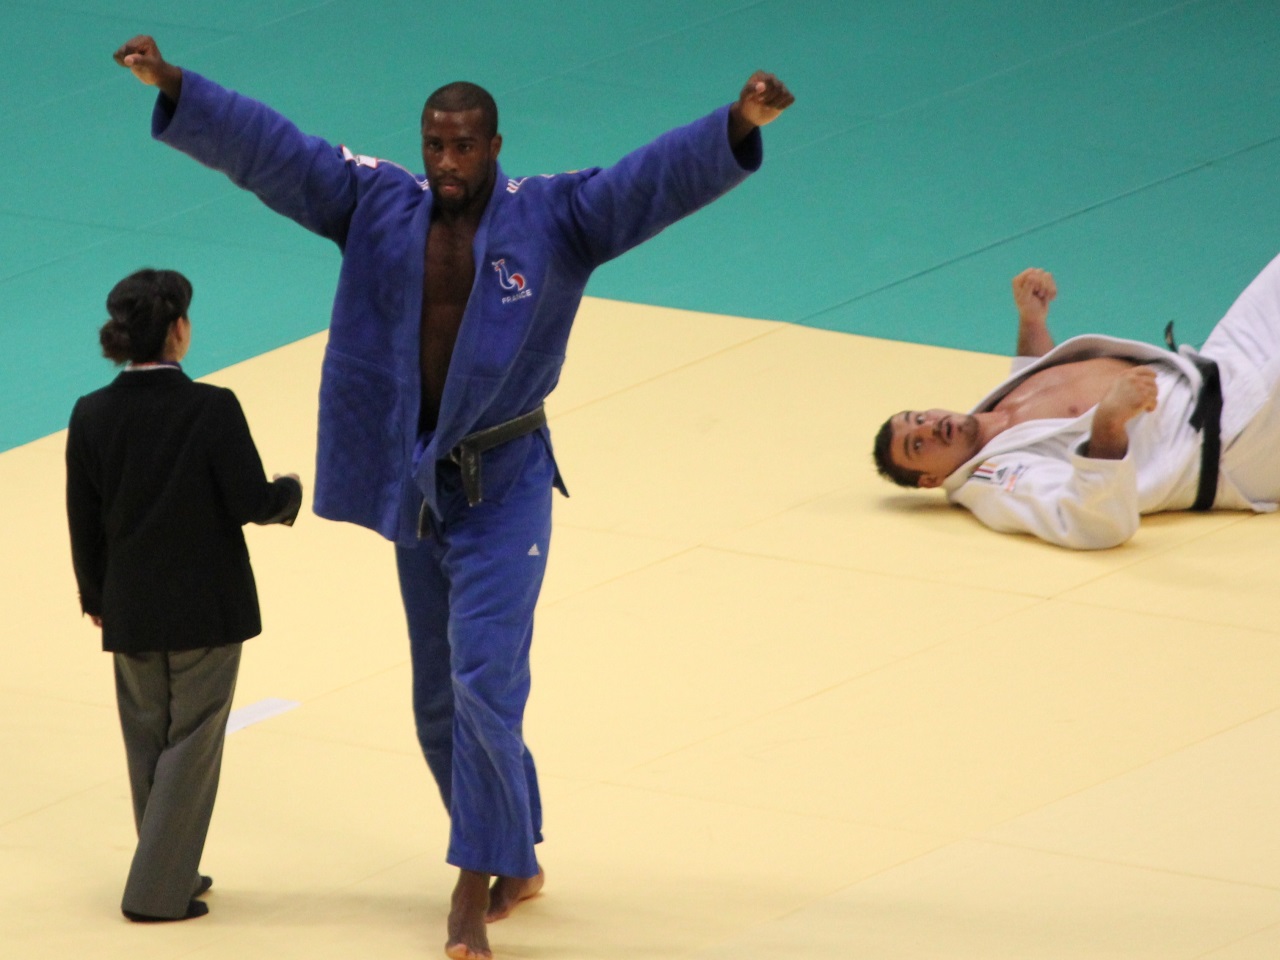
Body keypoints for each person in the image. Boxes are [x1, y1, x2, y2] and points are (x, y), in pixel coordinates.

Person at [113, 34, 793, 960]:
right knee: (438, 702)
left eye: (465, 146)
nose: (447, 162)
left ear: (496, 144)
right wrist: (179, 87)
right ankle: (514, 855)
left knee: (484, 685)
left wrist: (736, 124)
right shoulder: (377, 206)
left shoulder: (553, 218)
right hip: (418, 486)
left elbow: (647, 182)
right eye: (435, 144)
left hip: (507, 483)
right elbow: (277, 153)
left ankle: (471, 889)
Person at [66, 268, 302, 922]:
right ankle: (156, 890)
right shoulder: (212, 407)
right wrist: (289, 496)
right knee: (192, 744)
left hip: (131, 607)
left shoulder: (90, 414)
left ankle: (167, 864)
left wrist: (95, 594)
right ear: (178, 332)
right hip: (206, 606)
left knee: (148, 740)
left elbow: (82, 517)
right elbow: (250, 502)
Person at [872, 261, 1280, 549]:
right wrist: (1109, 421)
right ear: (930, 480)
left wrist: (1031, 322)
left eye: (919, 418)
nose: (928, 427)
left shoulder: (995, 414)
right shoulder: (996, 481)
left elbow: (1046, 392)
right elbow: (1091, 523)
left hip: (1223, 362)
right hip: (1235, 438)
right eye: (918, 445)